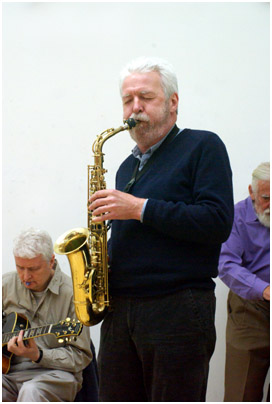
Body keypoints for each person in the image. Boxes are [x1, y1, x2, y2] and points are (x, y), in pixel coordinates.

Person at [89, 57, 234, 402]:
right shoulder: (125, 166)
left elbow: (216, 221)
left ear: (172, 103)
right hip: (121, 310)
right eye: (127, 100)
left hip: (177, 310)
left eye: (146, 97)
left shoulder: (203, 146)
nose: (134, 108)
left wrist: (139, 208)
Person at [2, 228, 93, 402]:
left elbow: (81, 356)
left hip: (57, 375)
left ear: (51, 261)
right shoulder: (6, 284)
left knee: (31, 391)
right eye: (19, 267)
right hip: (10, 372)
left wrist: (39, 355)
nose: (25, 276)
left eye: (33, 269)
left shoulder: (74, 294)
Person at [218, 162, 270, 402]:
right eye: (267, 198)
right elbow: (226, 264)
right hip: (252, 309)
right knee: (242, 391)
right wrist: (265, 289)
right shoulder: (236, 215)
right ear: (252, 191)